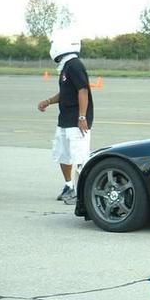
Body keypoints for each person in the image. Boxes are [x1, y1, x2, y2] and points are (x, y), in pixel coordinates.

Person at [37, 29, 94, 204]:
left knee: (79, 156)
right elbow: (65, 93)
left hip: (77, 121)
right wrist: (47, 101)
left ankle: (80, 191)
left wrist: (82, 117)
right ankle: (69, 186)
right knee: (63, 154)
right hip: (65, 119)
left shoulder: (75, 65)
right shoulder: (65, 66)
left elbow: (82, 90)